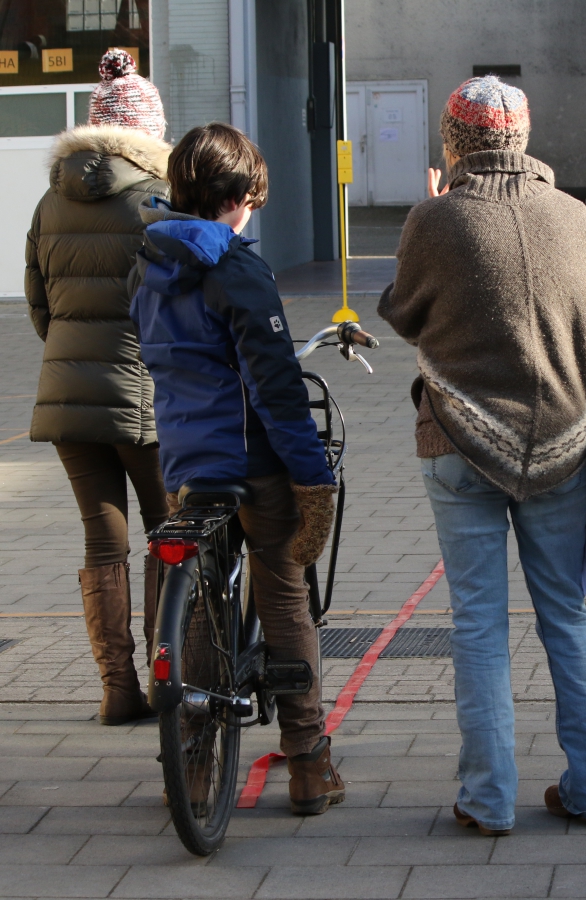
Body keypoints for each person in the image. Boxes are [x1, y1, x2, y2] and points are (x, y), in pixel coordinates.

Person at [378, 76, 586, 835]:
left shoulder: (437, 218)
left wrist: (427, 211)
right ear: (522, 139)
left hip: (457, 442)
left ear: (454, 143)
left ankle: (487, 799)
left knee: (476, 624)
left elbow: (403, 313)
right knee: (566, 617)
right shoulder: (576, 217)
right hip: (564, 446)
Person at [128, 123, 345, 815]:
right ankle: (309, 762)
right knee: (282, 586)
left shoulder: (149, 264)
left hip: (186, 463)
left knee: (198, 603)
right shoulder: (236, 268)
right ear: (238, 195)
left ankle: (193, 764)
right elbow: (276, 390)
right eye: (253, 197)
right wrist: (314, 478)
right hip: (253, 465)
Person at [25, 48, 171, 725]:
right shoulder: (156, 202)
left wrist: (70, 358)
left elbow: (38, 305)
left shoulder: (50, 201)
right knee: (170, 532)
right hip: (141, 396)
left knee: (100, 540)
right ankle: (173, 670)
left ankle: (118, 689)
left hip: (66, 398)